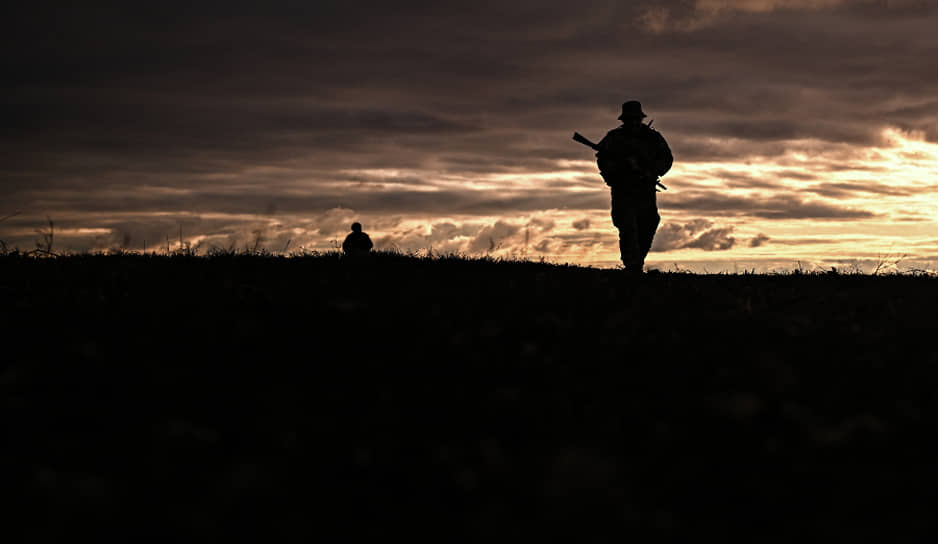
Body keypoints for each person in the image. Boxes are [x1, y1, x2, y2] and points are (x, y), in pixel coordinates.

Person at [596, 100, 672, 274]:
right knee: (627, 225)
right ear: (623, 120)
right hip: (623, 190)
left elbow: (667, 159)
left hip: (645, 189)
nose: (633, 123)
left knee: (649, 223)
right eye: (629, 119)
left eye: (636, 119)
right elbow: (603, 160)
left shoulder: (653, 137)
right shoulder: (614, 137)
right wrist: (614, 175)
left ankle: (636, 263)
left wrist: (651, 171)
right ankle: (632, 266)